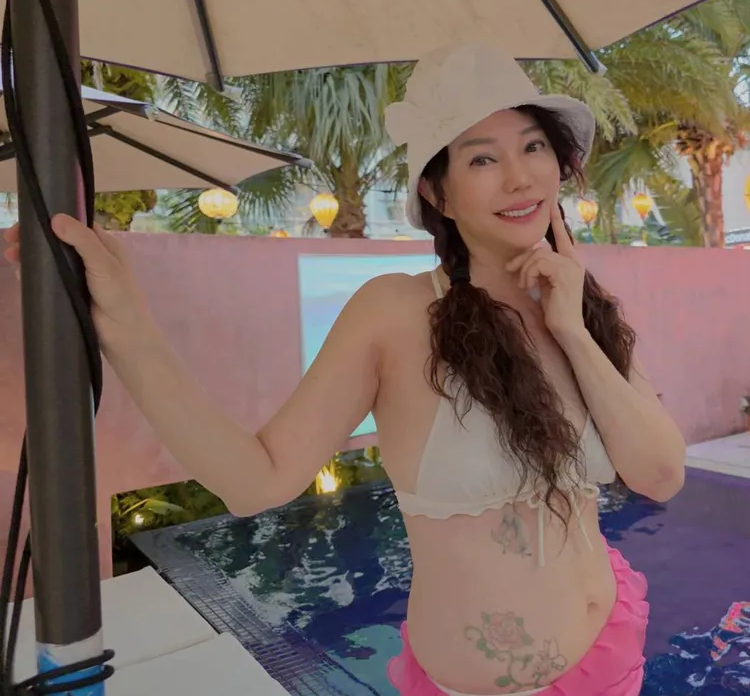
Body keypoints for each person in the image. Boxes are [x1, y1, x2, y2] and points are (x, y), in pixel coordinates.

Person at [3, 42, 685, 696]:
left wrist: (572, 329)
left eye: (533, 146)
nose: (521, 177)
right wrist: (126, 326)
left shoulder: (579, 302)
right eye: (483, 158)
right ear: (439, 194)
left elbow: (660, 474)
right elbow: (258, 479)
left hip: (610, 649)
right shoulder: (398, 313)